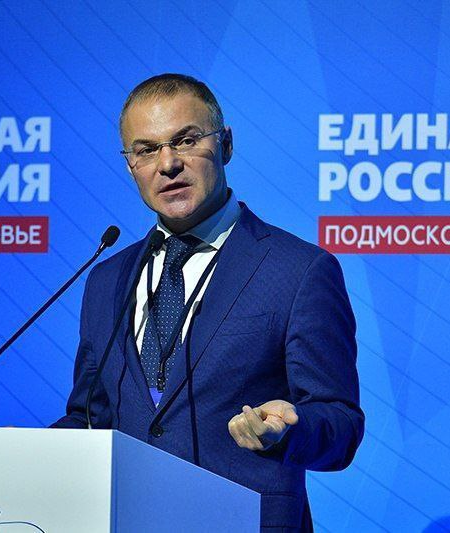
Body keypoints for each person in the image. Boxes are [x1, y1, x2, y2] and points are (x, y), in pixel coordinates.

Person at [52, 73, 364, 532]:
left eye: (186, 140)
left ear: (226, 145)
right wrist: (19, 455)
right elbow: (89, 420)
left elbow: (340, 424)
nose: (168, 164)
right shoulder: (106, 279)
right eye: (146, 150)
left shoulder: (299, 270)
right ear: (130, 165)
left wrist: (288, 428)